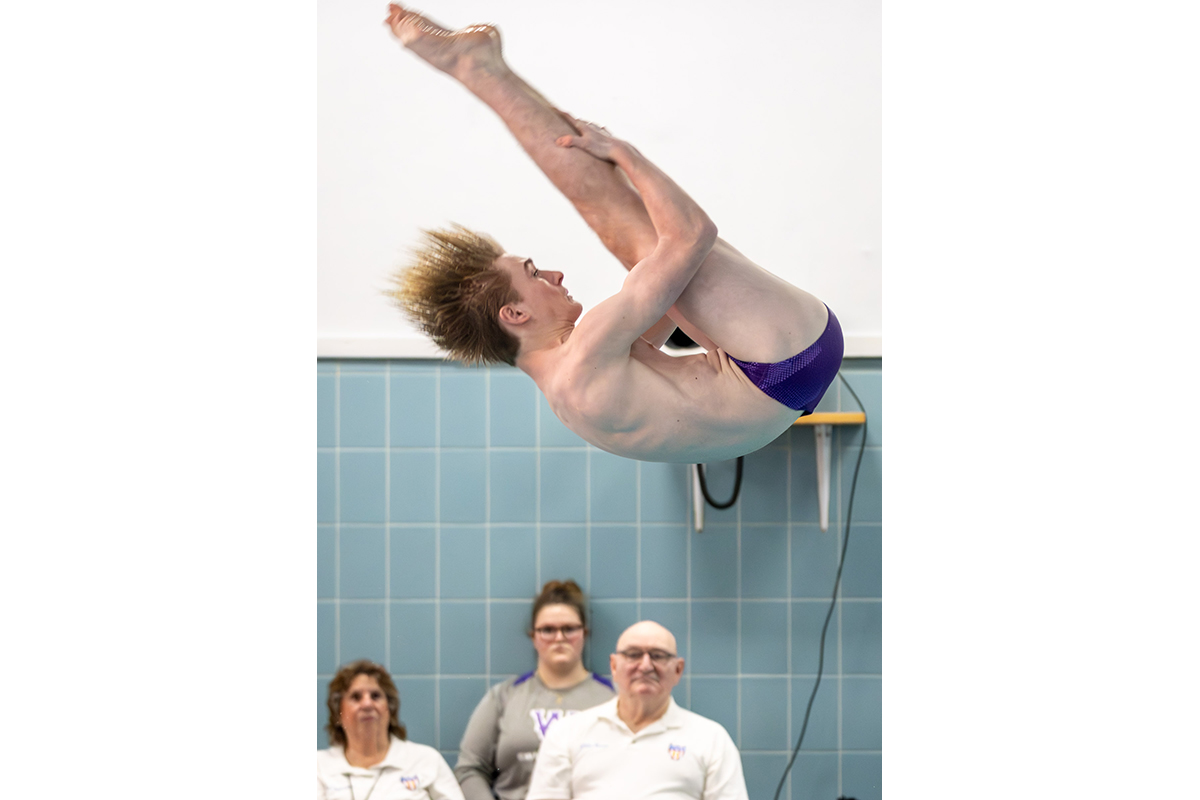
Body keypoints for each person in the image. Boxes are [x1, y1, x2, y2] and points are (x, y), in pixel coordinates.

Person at [384, 4, 844, 465]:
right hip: (784, 355)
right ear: (515, 313)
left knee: (645, 257)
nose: (555, 273)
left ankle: (481, 66)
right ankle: (476, 67)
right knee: (630, 228)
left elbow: (663, 294)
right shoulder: (587, 350)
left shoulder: (569, 390)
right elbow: (694, 235)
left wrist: (650, 268)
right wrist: (625, 154)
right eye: (533, 273)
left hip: (787, 384)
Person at [525, 620, 748, 800]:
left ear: (678, 670)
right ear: (614, 666)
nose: (645, 665)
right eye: (633, 654)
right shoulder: (567, 733)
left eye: (658, 655)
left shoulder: (712, 739)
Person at [455, 580, 615, 800]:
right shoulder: (504, 696)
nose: (559, 638)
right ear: (533, 636)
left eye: (569, 629)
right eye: (548, 630)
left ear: (584, 633)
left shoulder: (611, 698)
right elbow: (469, 768)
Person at [319, 659, 465, 800]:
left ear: (390, 708)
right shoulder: (318, 766)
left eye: (375, 696)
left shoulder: (426, 760)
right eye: (356, 697)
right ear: (338, 712)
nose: (367, 704)